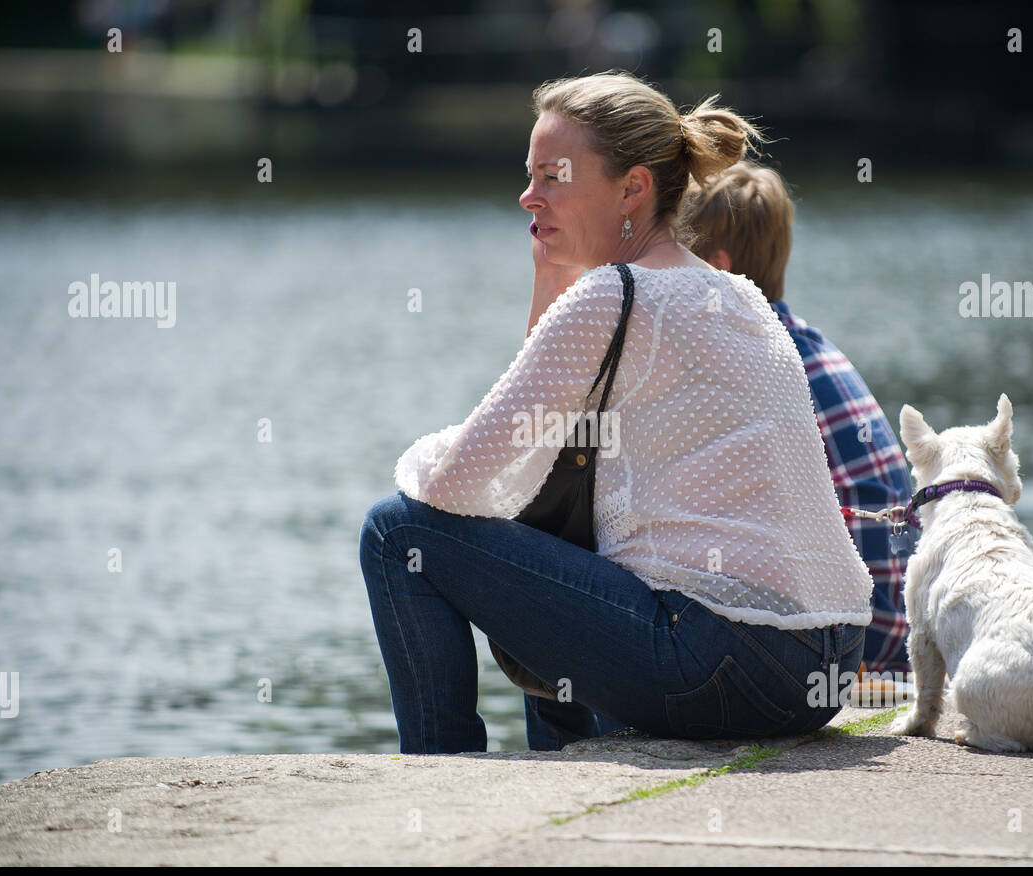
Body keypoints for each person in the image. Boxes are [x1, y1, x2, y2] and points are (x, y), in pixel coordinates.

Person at [359, 71, 873, 754]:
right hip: (826, 666)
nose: (528, 196)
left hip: (726, 662)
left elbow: (458, 482)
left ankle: (442, 773)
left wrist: (431, 457)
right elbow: (548, 460)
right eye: (529, 175)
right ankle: (560, 758)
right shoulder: (737, 294)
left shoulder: (614, 295)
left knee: (395, 531)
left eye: (552, 177)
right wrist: (551, 281)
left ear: (633, 187)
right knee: (565, 537)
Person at [680, 162, 915, 679]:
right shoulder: (804, 342)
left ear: (715, 270)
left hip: (854, 642)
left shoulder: (752, 362)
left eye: (678, 258)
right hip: (899, 629)